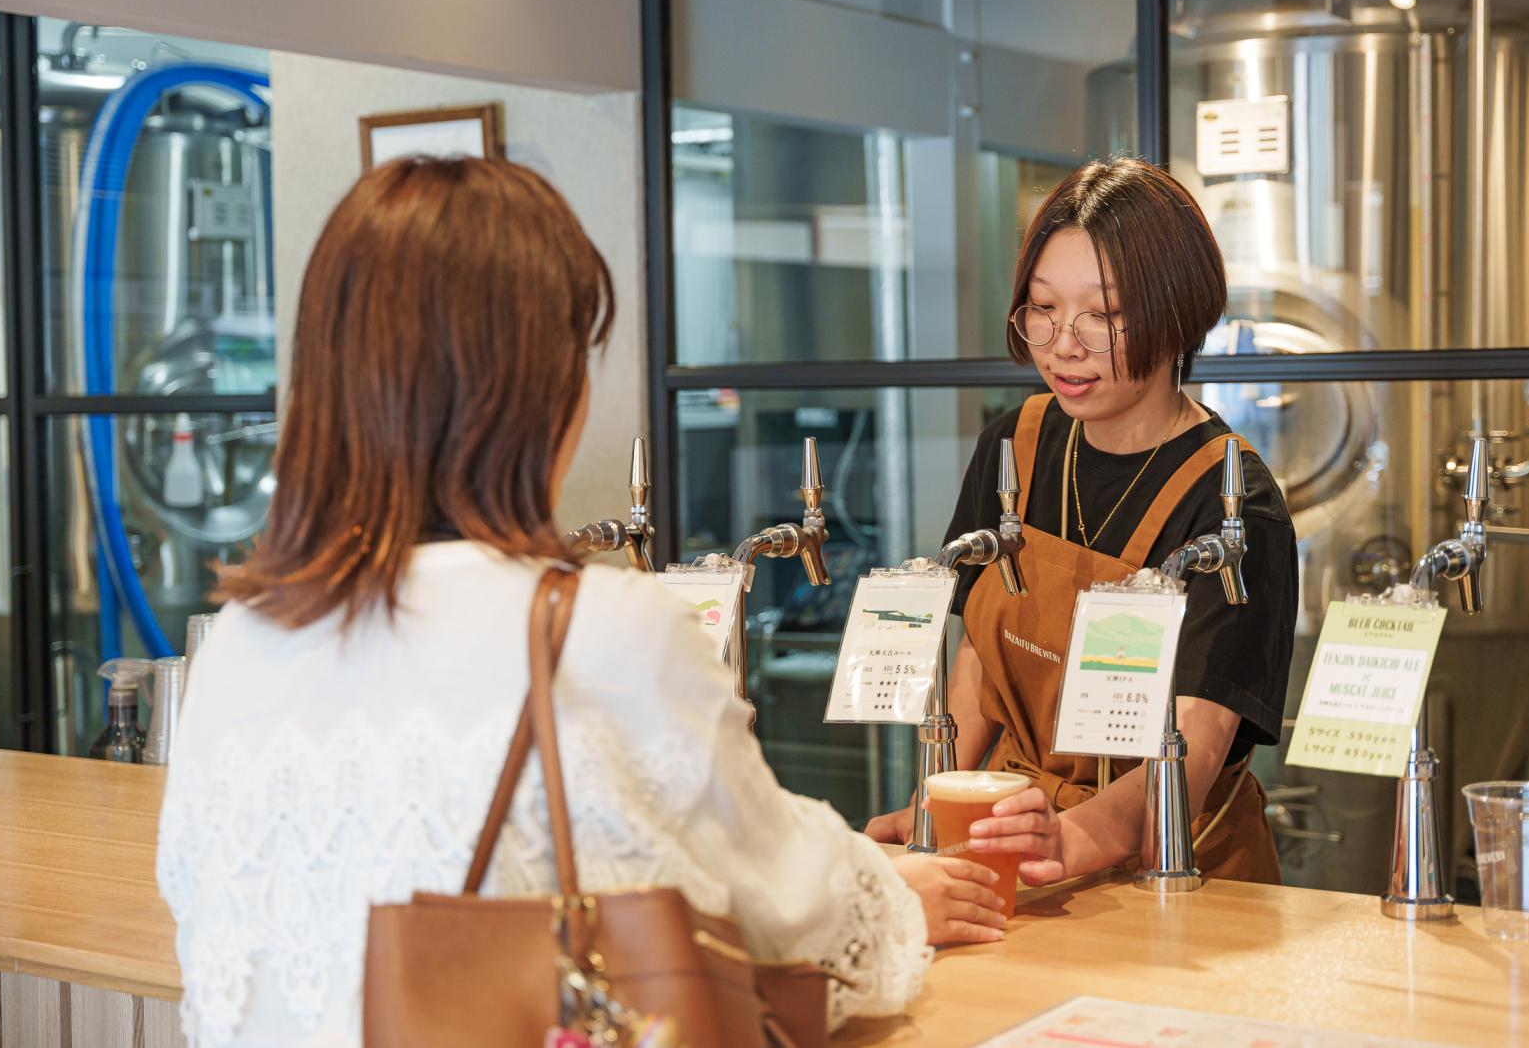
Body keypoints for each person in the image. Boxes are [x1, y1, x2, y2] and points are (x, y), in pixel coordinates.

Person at [156, 157, 1004, 1048]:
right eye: (574, 355)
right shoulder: (595, 628)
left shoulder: (240, 647)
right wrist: (893, 892)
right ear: (531, 391)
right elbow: (787, 904)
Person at [867, 157, 1297, 888]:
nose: (1065, 343)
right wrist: (939, 800)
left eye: (1104, 314)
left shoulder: (1231, 501)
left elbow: (1194, 752)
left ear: (1178, 311)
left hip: (1171, 868)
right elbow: (979, 648)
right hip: (1012, 835)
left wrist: (1067, 839)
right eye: (1043, 308)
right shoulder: (1015, 445)